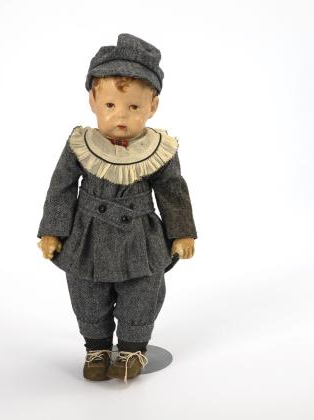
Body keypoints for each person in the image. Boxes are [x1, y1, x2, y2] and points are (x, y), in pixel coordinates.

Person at [37, 33, 197, 383]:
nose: (120, 116)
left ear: (152, 106)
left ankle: (131, 350)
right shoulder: (81, 144)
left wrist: (182, 232)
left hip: (139, 237)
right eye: (110, 105)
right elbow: (61, 187)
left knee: (142, 293)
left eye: (133, 107)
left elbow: (172, 190)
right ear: (93, 101)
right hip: (87, 237)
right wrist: (53, 230)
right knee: (87, 293)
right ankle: (96, 349)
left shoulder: (158, 149)